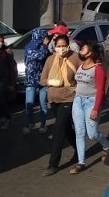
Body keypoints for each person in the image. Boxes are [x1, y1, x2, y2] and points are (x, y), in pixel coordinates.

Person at [41, 34, 81, 176]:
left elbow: (82, 76)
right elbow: (43, 80)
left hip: (69, 98)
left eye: (63, 45)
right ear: (54, 47)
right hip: (53, 99)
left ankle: (53, 164)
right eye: (58, 46)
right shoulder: (51, 59)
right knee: (65, 128)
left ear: (68, 45)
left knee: (58, 130)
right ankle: (79, 151)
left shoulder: (75, 57)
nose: (61, 48)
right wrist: (52, 82)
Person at [71, 40, 109, 174]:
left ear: (90, 53)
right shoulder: (80, 66)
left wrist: (95, 108)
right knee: (79, 132)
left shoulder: (98, 69)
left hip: (91, 102)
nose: (80, 51)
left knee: (92, 134)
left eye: (83, 49)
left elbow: (100, 90)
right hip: (78, 100)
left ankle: (106, 144)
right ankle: (81, 162)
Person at [23, 28, 50, 135]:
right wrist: (44, 46)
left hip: (43, 79)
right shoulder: (29, 47)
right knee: (29, 104)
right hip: (31, 79)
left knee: (43, 103)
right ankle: (30, 123)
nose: (46, 39)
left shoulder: (46, 48)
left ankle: (43, 125)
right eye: (44, 37)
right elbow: (39, 56)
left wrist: (45, 46)